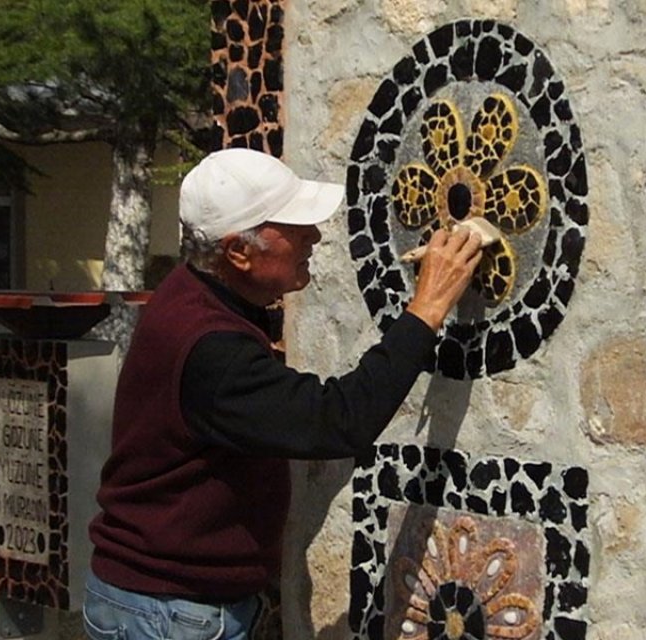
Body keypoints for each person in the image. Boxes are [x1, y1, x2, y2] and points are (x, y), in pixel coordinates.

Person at [83, 148, 482, 640]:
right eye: (293, 227)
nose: (312, 236)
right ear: (239, 252)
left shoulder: (191, 293)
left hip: (158, 603)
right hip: (170, 615)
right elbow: (337, 420)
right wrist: (427, 308)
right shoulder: (211, 349)